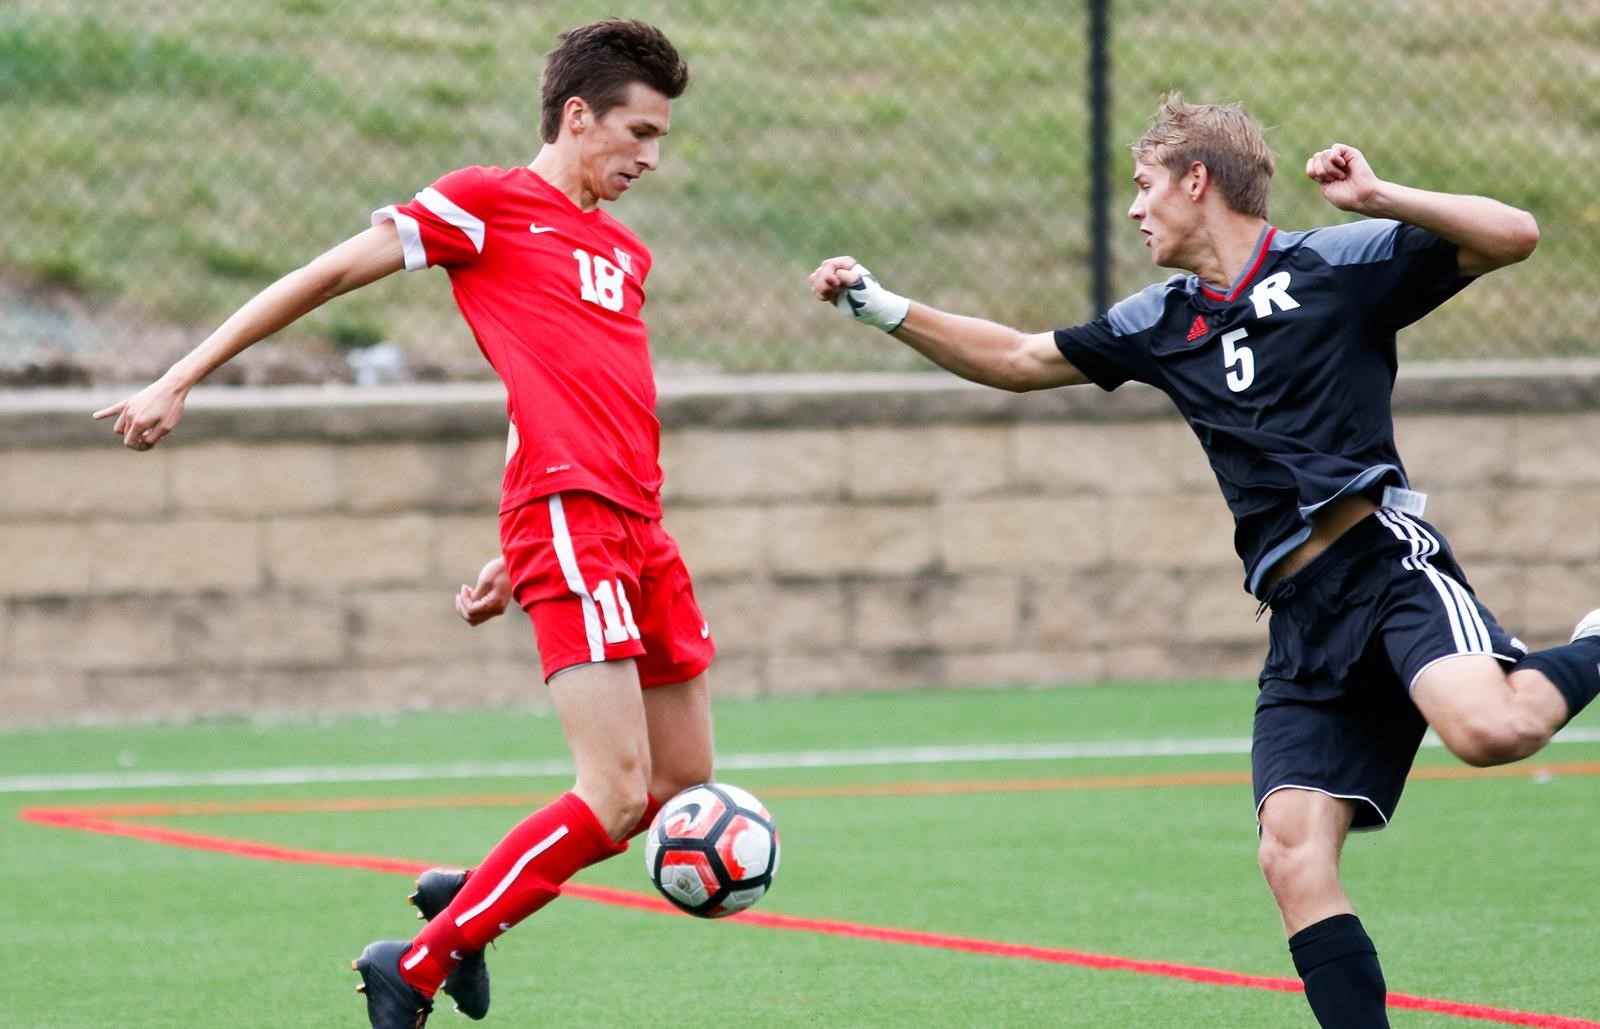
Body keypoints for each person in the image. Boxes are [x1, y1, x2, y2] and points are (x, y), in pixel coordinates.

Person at [810, 93, 1600, 1028]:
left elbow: (1515, 235)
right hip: (1301, 619)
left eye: (1147, 187)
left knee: (1490, 732)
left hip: (1384, 568)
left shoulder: (1331, 267)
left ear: (1197, 183)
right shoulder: (1161, 318)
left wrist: (1383, 195)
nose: (1137, 208)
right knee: (1292, 851)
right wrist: (878, 304)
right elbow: (1020, 358)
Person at [95, 19, 715, 1029]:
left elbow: (554, 397)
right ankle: (419, 963)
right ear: (575, 115)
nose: (650, 158)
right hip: (574, 519)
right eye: (637, 134)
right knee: (610, 791)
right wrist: (178, 378)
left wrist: (514, 556)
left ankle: (467, 900)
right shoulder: (487, 203)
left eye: (659, 140)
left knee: (675, 789)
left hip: (633, 523)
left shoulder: (622, 250)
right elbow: (330, 273)